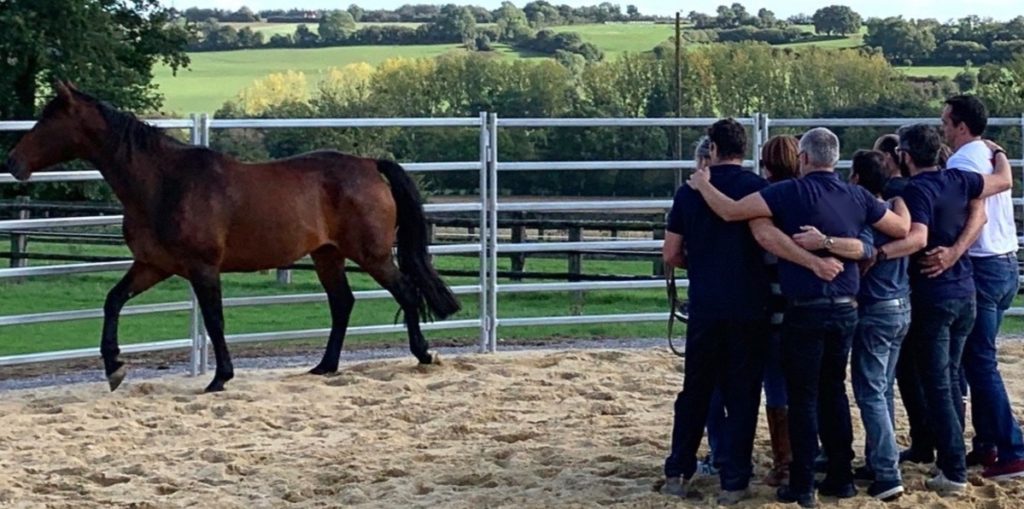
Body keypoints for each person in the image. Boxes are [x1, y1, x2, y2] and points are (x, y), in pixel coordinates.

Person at [687, 127, 909, 508]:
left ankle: (802, 482)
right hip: (846, 309)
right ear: (835, 159)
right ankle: (841, 477)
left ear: (804, 159)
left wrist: (702, 183)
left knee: (802, 397)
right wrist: (898, 194)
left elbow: (730, 211)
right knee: (834, 391)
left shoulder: (788, 192)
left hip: (805, 309)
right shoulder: (856, 195)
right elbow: (900, 228)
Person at [879, 123, 1011, 494]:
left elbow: (918, 237)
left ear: (904, 156)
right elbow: (1000, 183)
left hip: (934, 295)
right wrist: (996, 150)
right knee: (951, 378)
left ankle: (952, 469)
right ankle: (951, 458)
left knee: (937, 383)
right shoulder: (959, 179)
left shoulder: (916, 189)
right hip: (965, 290)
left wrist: (877, 253)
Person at [660, 119, 772, 505]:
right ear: (743, 149)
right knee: (743, 393)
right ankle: (734, 479)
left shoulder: (689, 193)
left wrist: (704, 263)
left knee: (696, 390)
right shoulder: (759, 190)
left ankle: (678, 470)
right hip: (749, 305)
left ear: (711, 149)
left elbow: (671, 255)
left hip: (707, 305)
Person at [792, 150, 912, 501]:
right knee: (879, 389)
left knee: (867, 393)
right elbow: (909, 231)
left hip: (873, 308)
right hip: (900, 304)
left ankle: (887, 472)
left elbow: (865, 253)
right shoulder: (894, 206)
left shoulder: (861, 211)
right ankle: (876, 463)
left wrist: (827, 249)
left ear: (856, 179)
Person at [940, 94, 1024, 480]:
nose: (943, 128)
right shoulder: (989, 155)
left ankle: (1010, 448)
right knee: (979, 361)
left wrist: (954, 251)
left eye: (946, 122)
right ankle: (990, 444)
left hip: (983, 264)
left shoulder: (961, 162)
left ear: (961, 126)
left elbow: (974, 217)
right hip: (1005, 262)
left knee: (981, 363)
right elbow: (1004, 181)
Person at [758, 135, 800, 487]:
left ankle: (784, 461)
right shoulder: (809, 195)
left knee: (776, 383)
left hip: (771, 303)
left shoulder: (763, 200)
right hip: (807, 303)